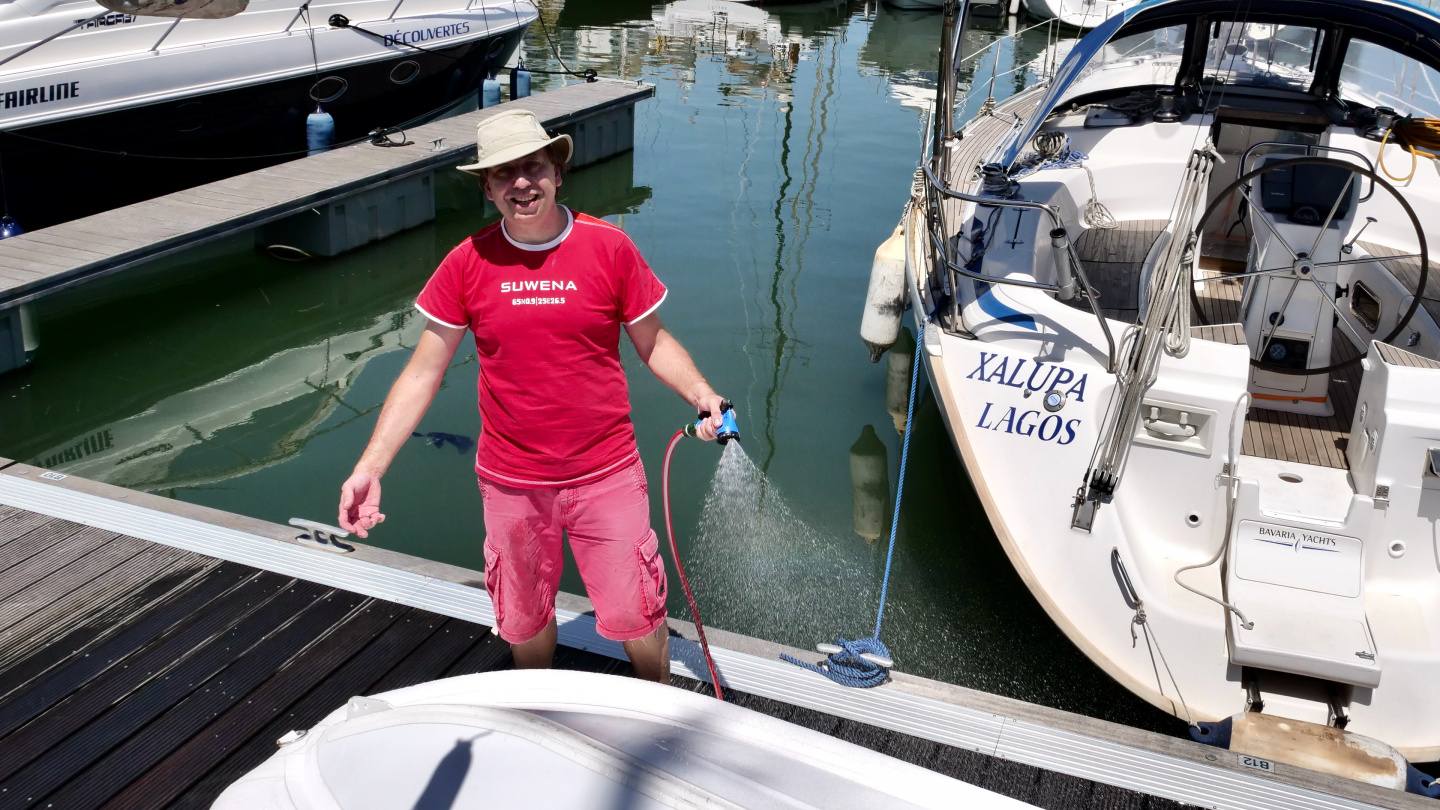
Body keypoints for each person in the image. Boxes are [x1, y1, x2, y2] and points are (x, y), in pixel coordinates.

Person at [337, 109, 726, 684]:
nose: (522, 182)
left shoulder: (609, 246)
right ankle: (534, 698)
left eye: (534, 168)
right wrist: (371, 466)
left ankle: (658, 700)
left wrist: (701, 393)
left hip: (607, 472)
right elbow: (423, 372)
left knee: (636, 610)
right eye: (504, 173)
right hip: (511, 482)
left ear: (557, 173)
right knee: (522, 617)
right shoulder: (467, 262)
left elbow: (652, 339)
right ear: (487, 186)